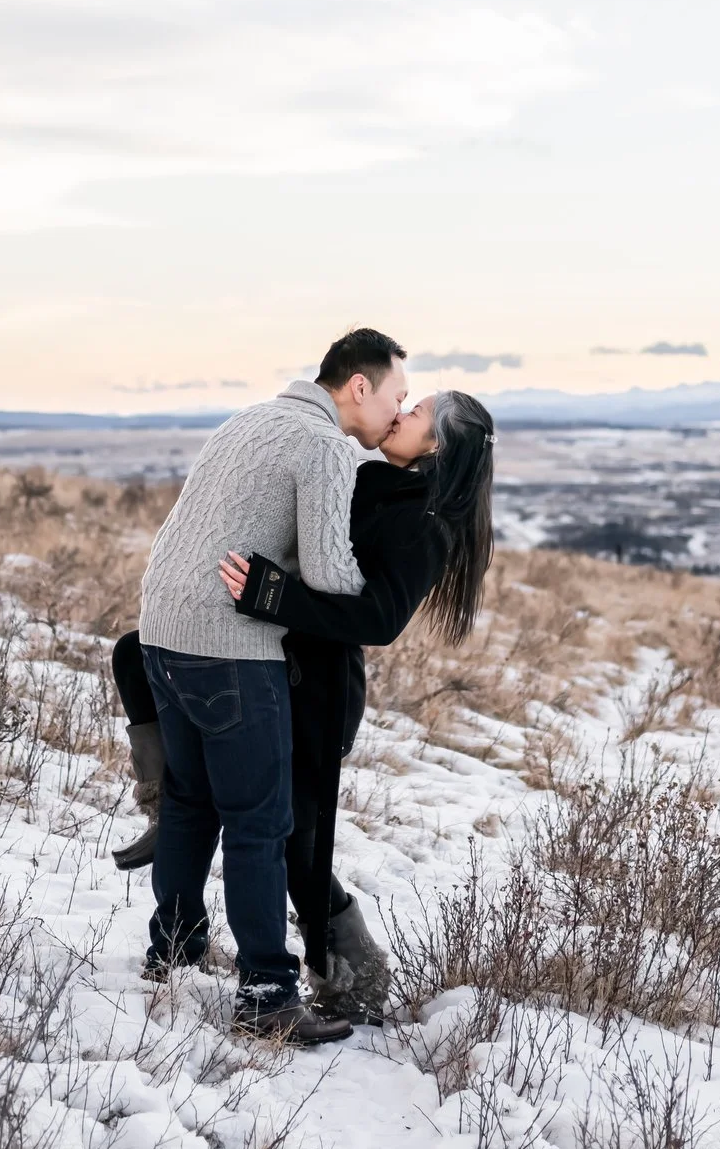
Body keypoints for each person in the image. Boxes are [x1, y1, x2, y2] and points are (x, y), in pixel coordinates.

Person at [108, 390, 497, 1021]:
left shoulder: (425, 521)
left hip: (317, 693)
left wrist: (274, 597)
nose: (401, 414)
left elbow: (378, 617)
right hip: (263, 661)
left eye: (417, 413)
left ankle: (355, 974)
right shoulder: (366, 474)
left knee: (295, 848)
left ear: (437, 446)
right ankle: (163, 819)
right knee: (137, 658)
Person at [129, 328, 406, 1044]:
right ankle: (266, 994)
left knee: (190, 799)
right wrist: (377, 586)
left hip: (160, 630)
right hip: (228, 646)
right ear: (359, 386)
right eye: (397, 396)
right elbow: (328, 576)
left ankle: (174, 948)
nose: (397, 412)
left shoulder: (247, 417)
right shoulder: (324, 446)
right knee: (260, 820)